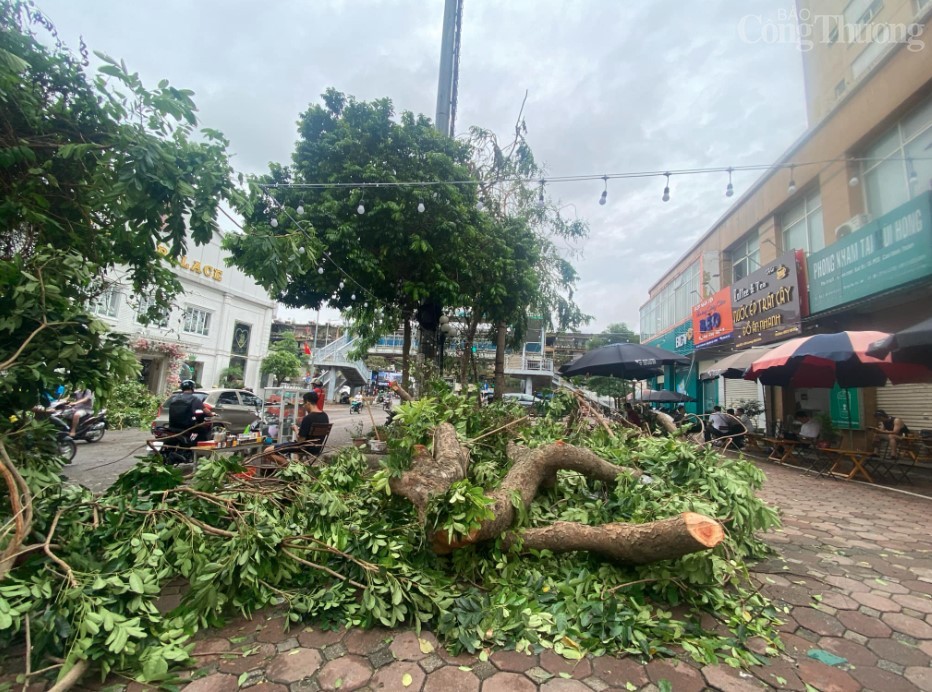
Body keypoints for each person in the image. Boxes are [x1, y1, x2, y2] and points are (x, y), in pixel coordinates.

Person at [265, 391, 329, 461]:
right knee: (294, 457)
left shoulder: (308, 418)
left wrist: (296, 429)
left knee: (267, 451)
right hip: (317, 448)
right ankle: (294, 464)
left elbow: (300, 440)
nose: (304, 406)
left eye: (304, 404)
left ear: (308, 402)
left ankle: (290, 466)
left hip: (304, 448)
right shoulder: (325, 416)